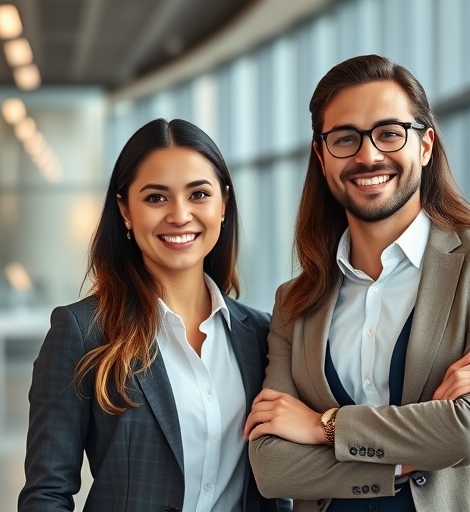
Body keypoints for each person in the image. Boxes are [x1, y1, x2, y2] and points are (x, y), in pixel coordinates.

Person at [244, 54, 470, 511]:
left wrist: (324, 427)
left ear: (425, 145)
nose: (368, 155)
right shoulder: (295, 302)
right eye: (345, 139)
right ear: (321, 155)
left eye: (389, 133)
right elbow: (273, 469)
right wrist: (408, 457)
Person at [18, 118, 284, 511]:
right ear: (125, 209)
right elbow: (47, 494)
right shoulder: (82, 331)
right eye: (156, 198)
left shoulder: (261, 334)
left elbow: (273, 489)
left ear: (223, 203)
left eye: (199, 194)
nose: (179, 215)